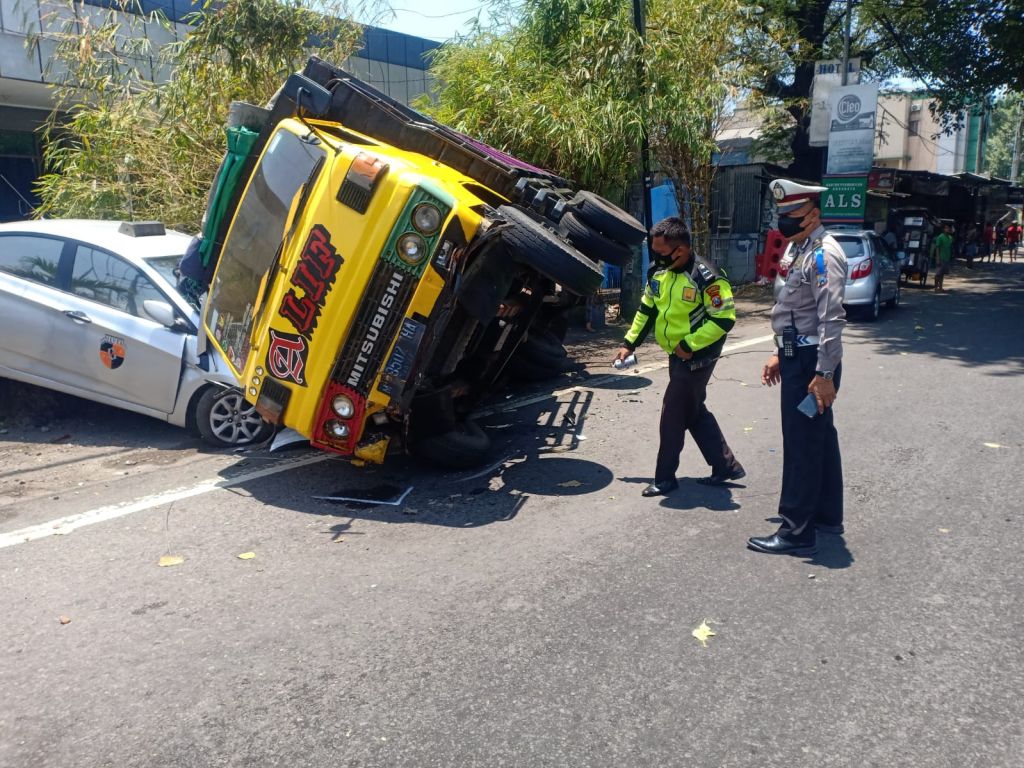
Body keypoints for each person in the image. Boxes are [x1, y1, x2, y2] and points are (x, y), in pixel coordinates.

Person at [749, 179, 847, 556]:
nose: (785, 221)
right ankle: (826, 514)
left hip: (811, 364)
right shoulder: (800, 248)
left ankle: (796, 530)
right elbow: (795, 309)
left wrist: (824, 375)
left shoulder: (824, 254)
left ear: (813, 215)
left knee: (802, 442)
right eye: (782, 215)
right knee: (820, 436)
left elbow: (831, 319)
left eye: (793, 214)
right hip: (798, 354)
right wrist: (780, 352)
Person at [615, 216, 744, 497]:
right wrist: (629, 343)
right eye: (654, 252)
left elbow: (724, 319)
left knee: (673, 413)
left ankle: (665, 478)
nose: (657, 258)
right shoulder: (657, 273)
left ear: (681, 249)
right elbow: (647, 310)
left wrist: (690, 344)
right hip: (676, 353)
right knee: (692, 409)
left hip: (699, 355)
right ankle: (726, 465)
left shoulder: (706, 277)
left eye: (661, 253)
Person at [931, 223, 953, 292]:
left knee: (942, 274)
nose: (948, 229)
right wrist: (937, 258)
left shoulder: (950, 237)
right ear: (943, 229)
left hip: (947, 258)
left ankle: (940, 287)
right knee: (938, 274)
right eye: (946, 228)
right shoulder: (940, 237)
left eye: (949, 228)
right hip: (941, 258)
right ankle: (935, 288)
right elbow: (937, 248)